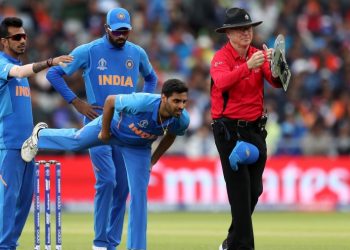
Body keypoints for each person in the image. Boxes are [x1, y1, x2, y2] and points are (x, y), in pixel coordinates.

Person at [21, 78, 189, 250]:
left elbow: (172, 135)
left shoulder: (182, 119)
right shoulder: (142, 102)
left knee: (139, 197)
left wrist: (153, 161)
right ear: (163, 98)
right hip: (113, 128)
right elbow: (110, 101)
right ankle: (41, 135)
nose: (181, 106)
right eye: (176, 101)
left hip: (138, 147)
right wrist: (105, 131)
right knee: (76, 141)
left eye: (184, 101)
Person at [45, 7, 158, 250]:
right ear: (106, 28)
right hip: (97, 123)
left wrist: (142, 103)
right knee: (107, 181)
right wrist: (76, 102)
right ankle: (99, 244)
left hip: (126, 126)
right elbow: (54, 73)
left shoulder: (137, 53)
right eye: (117, 31)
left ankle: (111, 244)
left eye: (125, 31)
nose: (121, 35)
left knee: (123, 186)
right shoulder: (89, 51)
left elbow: (151, 78)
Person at [210, 8, 284, 250]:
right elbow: (221, 82)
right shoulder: (221, 57)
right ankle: (241, 247)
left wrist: (276, 65)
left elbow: (276, 82)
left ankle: (230, 243)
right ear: (228, 33)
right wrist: (248, 66)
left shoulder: (257, 54)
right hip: (229, 132)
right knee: (240, 193)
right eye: (241, 29)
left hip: (255, 131)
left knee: (254, 190)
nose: (246, 32)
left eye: (249, 27)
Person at [0, 17, 72, 249]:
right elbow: (20, 71)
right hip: (7, 146)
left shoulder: (20, 74)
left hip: (27, 148)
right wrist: (50, 62)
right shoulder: (3, 65)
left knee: (24, 200)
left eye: (24, 36)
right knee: (7, 201)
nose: (23, 40)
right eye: (16, 37)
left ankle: (9, 244)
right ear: (3, 42)